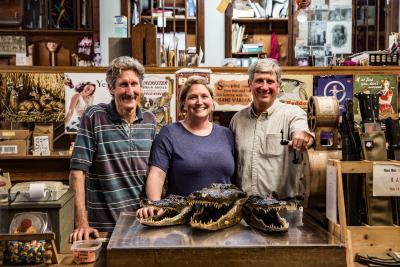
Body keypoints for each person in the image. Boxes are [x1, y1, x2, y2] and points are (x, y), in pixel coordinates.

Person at [69, 56, 156, 241]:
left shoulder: (150, 121)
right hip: (102, 229)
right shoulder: (94, 116)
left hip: (141, 224)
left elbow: (153, 173)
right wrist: (82, 223)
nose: (130, 91)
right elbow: (77, 172)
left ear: (141, 87)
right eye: (123, 84)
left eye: (134, 84)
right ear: (111, 88)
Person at [136, 76, 235, 219]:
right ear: (183, 103)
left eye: (204, 96)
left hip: (223, 219)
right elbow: (156, 175)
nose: (199, 102)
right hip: (182, 219)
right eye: (193, 97)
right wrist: (154, 205)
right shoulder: (169, 133)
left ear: (211, 101)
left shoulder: (226, 134)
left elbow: (233, 180)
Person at [229, 58, 314, 199]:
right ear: (250, 84)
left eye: (270, 81)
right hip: (245, 211)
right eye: (259, 81)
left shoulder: (293, 114)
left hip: (282, 211)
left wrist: (303, 136)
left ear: (279, 86)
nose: (264, 87)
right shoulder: (237, 120)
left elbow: (302, 130)